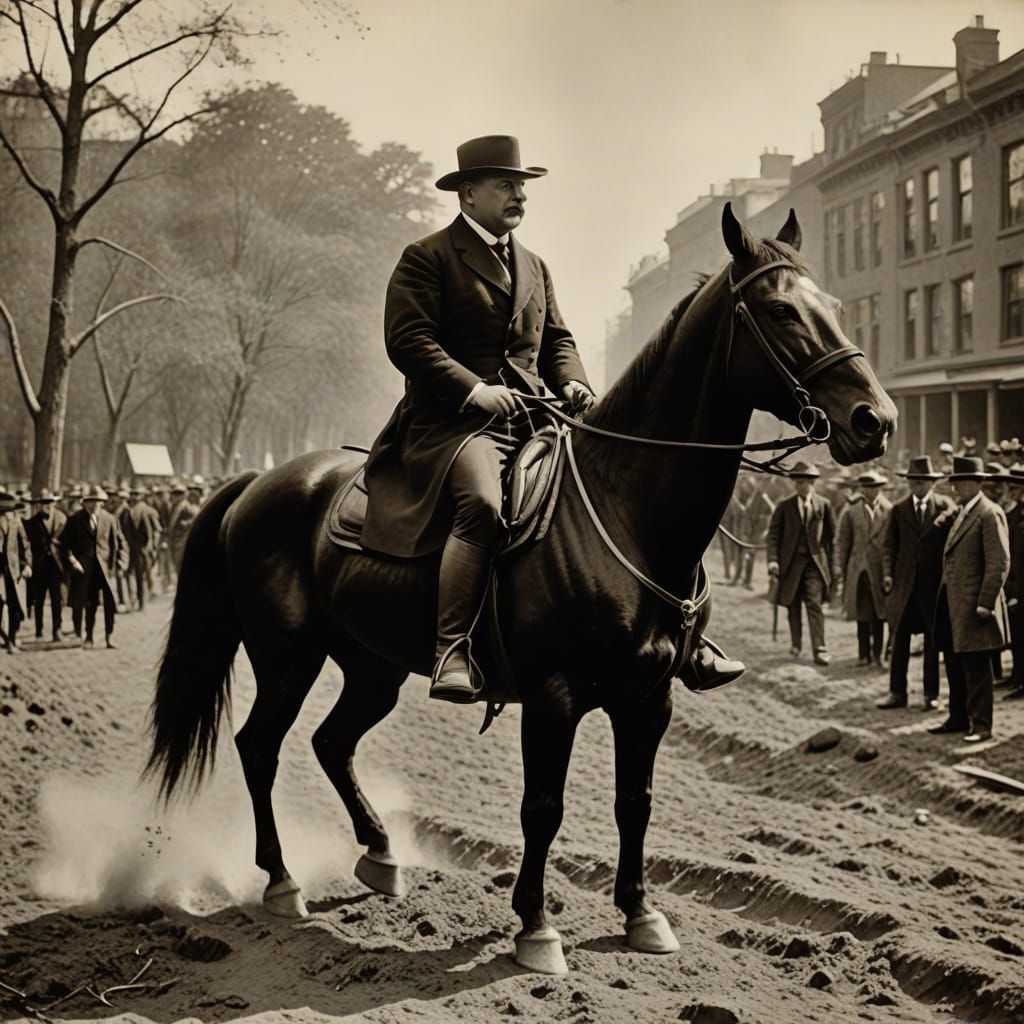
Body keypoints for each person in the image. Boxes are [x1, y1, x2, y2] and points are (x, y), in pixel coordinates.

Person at [361, 134, 742, 702]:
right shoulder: (428, 256)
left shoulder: (534, 265)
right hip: (452, 426)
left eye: (523, 186)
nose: (520, 195)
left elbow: (558, 339)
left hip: (535, 420)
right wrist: (474, 392)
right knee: (484, 507)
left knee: (627, 496)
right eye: (507, 185)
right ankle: (453, 647)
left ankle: (685, 635)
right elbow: (409, 341)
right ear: (468, 194)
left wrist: (574, 380)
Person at [928, 457, 1010, 742]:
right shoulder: (963, 512)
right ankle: (959, 718)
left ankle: (982, 725)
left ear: (976, 483)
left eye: (960, 482)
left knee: (976, 667)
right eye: (954, 483)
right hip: (954, 604)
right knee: (954, 662)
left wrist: (986, 602)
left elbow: (999, 562)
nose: (955, 489)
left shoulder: (989, 513)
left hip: (975, 605)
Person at [877, 457, 956, 710]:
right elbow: (888, 546)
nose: (919, 486)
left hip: (932, 587)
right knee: (899, 639)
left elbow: (954, 538)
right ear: (909, 483)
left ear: (932, 484)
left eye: (923, 482)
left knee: (933, 643)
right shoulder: (898, 510)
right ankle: (896, 693)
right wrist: (888, 574)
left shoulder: (945, 507)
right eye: (914, 482)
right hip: (904, 585)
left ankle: (931, 694)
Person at [766, 461, 836, 666]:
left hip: (814, 566)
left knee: (814, 605)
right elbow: (772, 537)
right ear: (794, 484)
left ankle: (820, 648)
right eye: (799, 482)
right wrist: (772, 561)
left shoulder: (824, 505)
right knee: (793, 606)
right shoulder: (784, 507)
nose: (803, 486)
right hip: (790, 565)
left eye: (807, 482)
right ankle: (796, 645)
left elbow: (831, 539)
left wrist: (833, 566)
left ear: (813, 483)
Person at [60, 484, 128, 649]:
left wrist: (121, 564)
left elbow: (120, 543)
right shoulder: (75, 520)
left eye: (97, 501)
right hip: (85, 570)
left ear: (102, 502)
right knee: (90, 604)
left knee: (110, 604)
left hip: (106, 569)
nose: (94, 505)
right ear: (84, 502)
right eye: (90, 501)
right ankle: (88, 636)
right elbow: (64, 545)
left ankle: (109, 637)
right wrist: (73, 561)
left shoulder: (110, 519)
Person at [834, 470, 891, 668]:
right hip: (857, 570)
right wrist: (842, 568)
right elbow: (843, 542)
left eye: (874, 488)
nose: (870, 491)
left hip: (880, 570)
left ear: (881, 489)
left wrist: (889, 570)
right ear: (862, 489)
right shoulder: (851, 511)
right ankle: (863, 654)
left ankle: (877, 655)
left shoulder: (889, 510)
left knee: (879, 613)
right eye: (867, 488)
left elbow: (891, 544)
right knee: (862, 613)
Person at [23, 488, 66, 642]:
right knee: (39, 600)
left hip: (56, 567)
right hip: (40, 567)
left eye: (49, 502)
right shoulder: (32, 523)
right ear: (39, 505)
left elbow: (67, 543)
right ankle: (39, 630)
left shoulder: (62, 519)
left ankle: (57, 630)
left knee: (56, 600)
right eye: (43, 503)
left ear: (54, 502)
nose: (47, 506)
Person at [1002, 463, 1024, 701]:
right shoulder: (1012, 516)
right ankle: (1018, 676)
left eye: (1017, 487)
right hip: (1016, 585)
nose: (1013, 491)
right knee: (1017, 634)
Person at [0, 491, 31, 653]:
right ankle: (5, 638)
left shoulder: (16, 522)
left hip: (13, 569)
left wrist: (27, 565)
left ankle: (11, 638)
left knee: (15, 605)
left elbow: (24, 544)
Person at [120, 487, 161, 611]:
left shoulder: (148, 511)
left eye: (136, 494)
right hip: (128, 547)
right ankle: (132, 600)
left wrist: (152, 546)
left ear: (141, 496)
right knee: (127, 574)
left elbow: (156, 530)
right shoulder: (125, 512)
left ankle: (142, 601)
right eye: (132, 494)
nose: (133, 497)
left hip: (141, 548)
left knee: (140, 575)